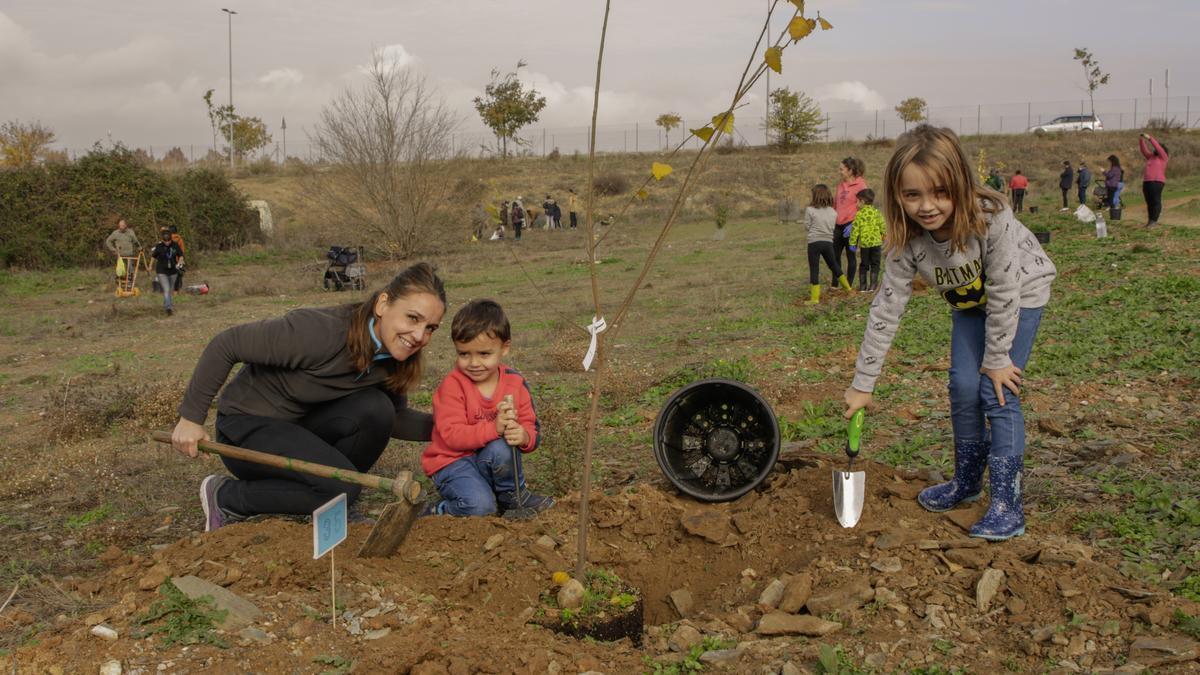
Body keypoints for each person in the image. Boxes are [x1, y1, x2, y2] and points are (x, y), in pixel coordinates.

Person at [843, 125, 1056, 542]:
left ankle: (1007, 503)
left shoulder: (991, 219)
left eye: (940, 192)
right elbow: (886, 309)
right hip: (968, 304)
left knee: (995, 389)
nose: (927, 207)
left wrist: (996, 360)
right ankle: (967, 481)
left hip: (1019, 294)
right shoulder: (906, 240)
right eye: (912, 195)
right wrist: (862, 385)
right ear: (895, 194)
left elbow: (1004, 290)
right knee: (961, 386)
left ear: (960, 182)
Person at [169, 263, 447, 531]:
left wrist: (457, 428)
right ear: (383, 304)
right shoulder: (320, 332)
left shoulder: (393, 357)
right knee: (344, 486)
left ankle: (333, 500)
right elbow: (227, 344)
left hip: (299, 428)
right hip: (246, 430)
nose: (420, 335)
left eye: (431, 328)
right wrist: (191, 418)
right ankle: (227, 497)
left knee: (377, 409)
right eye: (413, 318)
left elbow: (395, 418)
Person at [420, 299, 552, 516]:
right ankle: (436, 511)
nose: (473, 363)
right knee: (480, 507)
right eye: (464, 354)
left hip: (485, 459)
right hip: (452, 462)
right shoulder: (452, 387)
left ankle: (513, 498)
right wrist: (495, 427)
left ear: (504, 348)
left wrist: (524, 436)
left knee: (502, 447)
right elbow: (452, 436)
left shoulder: (514, 383)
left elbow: (530, 426)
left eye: (484, 354)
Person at [804, 184, 853, 305]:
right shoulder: (833, 212)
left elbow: (807, 226)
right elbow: (832, 227)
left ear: (815, 196)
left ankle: (815, 298)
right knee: (834, 265)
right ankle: (848, 288)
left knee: (814, 269)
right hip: (828, 243)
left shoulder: (810, 210)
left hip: (814, 243)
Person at [834, 157, 867, 288]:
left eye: (841, 169)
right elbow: (835, 205)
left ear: (850, 170)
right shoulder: (840, 185)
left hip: (851, 225)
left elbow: (865, 207)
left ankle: (848, 285)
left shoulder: (861, 185)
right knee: (834, 256)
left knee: (850, 256)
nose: (839, 171)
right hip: (837, 226)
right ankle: (835, 284)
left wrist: (854, 224)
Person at [849, 188, 885, 293]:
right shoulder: (877, 212)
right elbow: (883, 225)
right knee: (875, 264)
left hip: (865, 245)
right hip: (876, 244)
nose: (856, 204)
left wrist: (852, 243)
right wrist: (883, 235)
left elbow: (854, 230)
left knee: (864, 265)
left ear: (862, 201)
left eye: (857, 201)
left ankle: (863, 287)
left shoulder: (859, 215)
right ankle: (873, 286)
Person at [150, 228, 184, 316]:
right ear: (162, 240)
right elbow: (153, 257)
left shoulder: (175, 245)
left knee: (169, 290)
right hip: (162, 271)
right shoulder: (159, 246)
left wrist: (180, 261)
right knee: (166, 289)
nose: (167, 242)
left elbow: (180, 255)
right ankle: (169, 308)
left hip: (173, 271)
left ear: (171, 239)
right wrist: (150, 266)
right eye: (165, 241)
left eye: (169, 240)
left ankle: (166, 305)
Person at [1139, 133, 1169, 228]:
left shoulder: (1163, 157)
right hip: (1147, 182)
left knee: (1155, 201)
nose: (1155, 149)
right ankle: (1150, 221)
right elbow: (1144, 151)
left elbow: (1158, 147)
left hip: (1157, 182)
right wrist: (1141, 140)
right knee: (1149, 202)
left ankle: (1154, 221)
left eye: (1157, 149)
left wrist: (1150, 138)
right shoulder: (1151, 157)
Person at [105, 218, 141, 289]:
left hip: (130, 255)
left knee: (130, 270)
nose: (122, 227)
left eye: (123, 225)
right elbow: (108, 241)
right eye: (120, 226)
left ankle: (130, 284)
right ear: (118, 226)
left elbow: (135, 241)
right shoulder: (115, 233)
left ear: (126, 225)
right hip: (120, 256)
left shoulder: (130, 232)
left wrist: (140, 248)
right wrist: (113, 250)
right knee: (121, 271)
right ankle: (119, 283)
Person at [168, 226, 187, 291]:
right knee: (179, 273)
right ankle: (179, 286)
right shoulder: (180, 239)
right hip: (179, 259)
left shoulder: (168, 239)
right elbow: (182, 250)